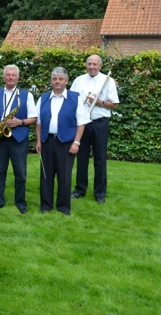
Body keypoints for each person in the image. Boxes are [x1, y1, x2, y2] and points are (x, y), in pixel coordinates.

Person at [35, 67, 89, 215]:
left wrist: (76, 143)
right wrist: (39, 141)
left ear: (66, 81)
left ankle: (63, 207)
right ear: (51, 81)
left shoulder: (75, 98)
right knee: (46, 176)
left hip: (66, 143)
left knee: (64, 176)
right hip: (47, 141)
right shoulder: (43, 98)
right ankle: (45, 206)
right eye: (54, 79)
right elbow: (38, 123)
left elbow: (81, 123)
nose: (57, 81)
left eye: (60, 79)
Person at [70, 54, 120, 204]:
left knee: (100, 159)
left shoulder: (108, 81)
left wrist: (99, 102)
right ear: (86, 65)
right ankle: (80, 189)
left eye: (95, 64)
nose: (91, 67)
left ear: (100, 66)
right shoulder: (78, 80)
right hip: (82, 123)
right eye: (89, 64)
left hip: (99, 123)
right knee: (82, 158)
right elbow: (71, 100)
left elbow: (115, 104)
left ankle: (100, 194)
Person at [0, 65, 37, 214]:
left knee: (20, 173)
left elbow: (34, 118)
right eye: (8, 75)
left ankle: (20, 202)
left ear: (18, 78)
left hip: (18, 139)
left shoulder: (27, 95)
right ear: (3, 77)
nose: (10, 77)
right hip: (0, 138)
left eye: (13, 75)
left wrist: (19, 122)